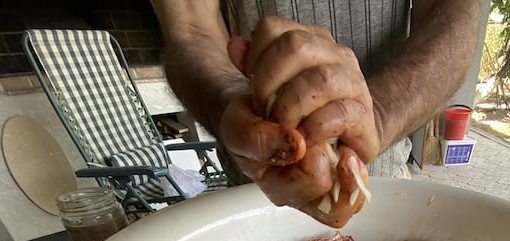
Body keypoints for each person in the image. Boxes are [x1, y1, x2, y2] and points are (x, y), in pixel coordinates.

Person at [150, 0, 481, 226]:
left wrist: (376, 115)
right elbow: (190, 27)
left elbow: (455, 12)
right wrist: (230, 101)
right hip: (249, 196)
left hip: (389, 180)